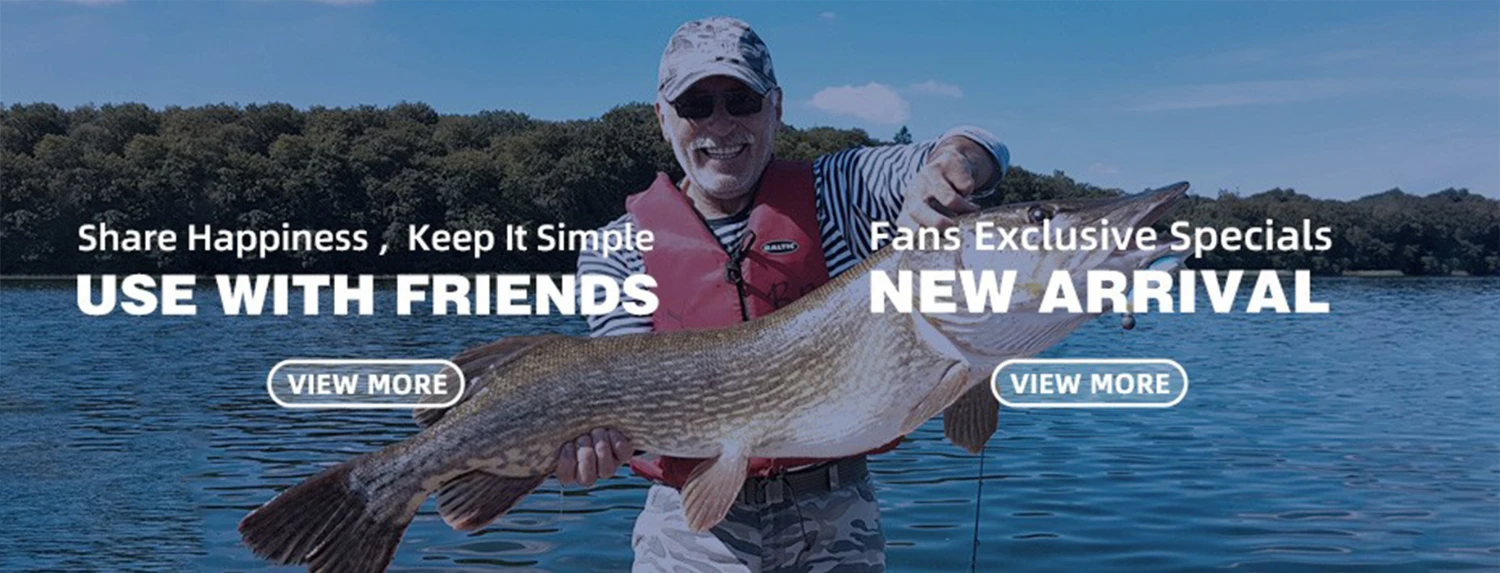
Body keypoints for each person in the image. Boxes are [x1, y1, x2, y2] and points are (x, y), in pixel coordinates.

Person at [562, 17, 1009, 572]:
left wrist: (953, 166)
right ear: (663, 117)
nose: (720, 125)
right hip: (691, 526)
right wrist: (593, 446)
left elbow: (980, 145)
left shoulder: (840, 191)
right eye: (696, 105)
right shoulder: (616, 248)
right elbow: (619, 395)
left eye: (741, 100)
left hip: (836, 513)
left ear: (776, 107)